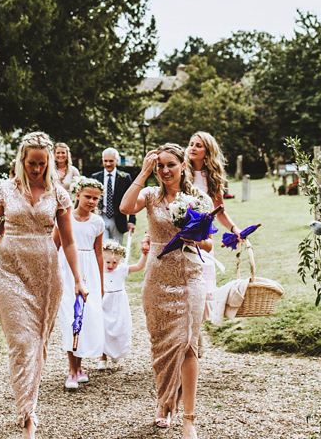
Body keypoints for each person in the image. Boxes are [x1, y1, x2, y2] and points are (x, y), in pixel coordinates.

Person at [0, 131, 88, 439]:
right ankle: (28, 416)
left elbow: (68, 242)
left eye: (41, 164)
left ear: (49, 162)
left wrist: (79, 280)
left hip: (46, 277)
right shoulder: (4, 191)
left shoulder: (59, 193)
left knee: (37, 344)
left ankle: (29, 407)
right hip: (9, 272)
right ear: (21, 160)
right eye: (31, 163)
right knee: (21, 343)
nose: (36, 169)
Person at [119, 143, 211, 439]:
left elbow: (209, 244)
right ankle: (164, 401)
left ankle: (189, 418)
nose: (165, 170)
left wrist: (191, 234)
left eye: (170, 164)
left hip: (189, 277)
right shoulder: (150, 196)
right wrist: (143, 172)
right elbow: (124, 207)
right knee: (162, 346)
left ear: (183, 165)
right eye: (159, 166)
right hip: (157, 278)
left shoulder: (198, 198)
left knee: (187, 343)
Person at [53, 175, 106, 389]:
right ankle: (71, 370)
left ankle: (80, 365)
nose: (91, 202)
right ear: (77, 195)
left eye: (95, 199)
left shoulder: (98, 223)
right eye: (87, 197)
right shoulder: (66, 218)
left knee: (85, 318)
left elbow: (99, 253)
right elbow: (55, 246)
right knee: (69, 318)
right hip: (67, 268)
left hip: (89, 271)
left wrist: (101, 283)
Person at [186, 131, 243, 318]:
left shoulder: (213, 177)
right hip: (182, 234)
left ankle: (196, 337)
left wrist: (235, 230)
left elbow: (220, 211)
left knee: (199, 289)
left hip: (203, 237)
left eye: (198, 145)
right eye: (191, 144)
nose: (193, 148)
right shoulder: (181, 171)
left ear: (207, 151)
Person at [99, 234, 149, 369]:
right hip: (105, 303)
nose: (111, 265)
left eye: (114, 262)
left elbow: (138, 266)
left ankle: (115, 352)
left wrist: (144, 254)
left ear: (119, 261)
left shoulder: (121, 270)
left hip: (118, 303)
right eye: (108, 262)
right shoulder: (99, 271)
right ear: (102, 259)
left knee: (118, 327)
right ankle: (102, 357)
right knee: (104, 328)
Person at [91, 146, 136, 245]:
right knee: (103, 248)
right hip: (101, 217)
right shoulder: (95, 177)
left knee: (116, 250)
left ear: (117, 160)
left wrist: (132, 220)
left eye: (111, 161)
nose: (108, 164)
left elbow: (132, 199)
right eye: (105, 161)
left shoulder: (125, 178)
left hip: (118, 219)